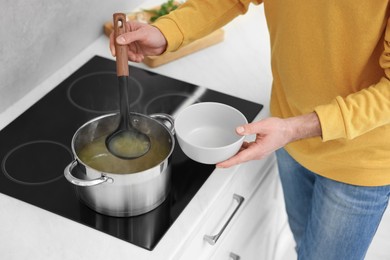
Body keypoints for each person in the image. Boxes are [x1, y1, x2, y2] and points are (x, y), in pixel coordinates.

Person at [110, 1, 390, 259]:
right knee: (305, 246)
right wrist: (167, 31)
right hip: (288, 130)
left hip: (358, 160)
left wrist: (295, 128)